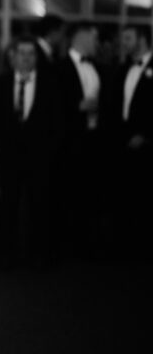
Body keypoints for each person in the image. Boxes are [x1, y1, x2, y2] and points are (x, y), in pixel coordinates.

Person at [0, 36, 61, 267]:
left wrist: (49, 149)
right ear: (13, 57)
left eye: (31, 54)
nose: (26, 58)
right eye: (22, 53)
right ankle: (4, 253)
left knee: (39, 203)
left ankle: (39, 253)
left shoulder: (50, 83)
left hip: (40, 155)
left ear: (36, 58)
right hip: (9, 154)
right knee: (8, 203)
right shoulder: (0, 82)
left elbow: (55, 121)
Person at [57, 21, 103, 258]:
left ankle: (87, 243)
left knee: (90, 193)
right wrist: (78, 107)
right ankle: (68, 244)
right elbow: (52, 107)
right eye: (94, 38)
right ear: (82, 38)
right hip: (69, 142)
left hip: (93, 139)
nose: (98, 43)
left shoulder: (98, 67)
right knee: (69, 193)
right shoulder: (59, 68)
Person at [107, 25, 153, 258]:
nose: (123, 42)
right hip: (121, 143)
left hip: (146, 146)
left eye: (128, 38)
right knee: (124, 195)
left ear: (142, 39)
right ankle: (124, 245)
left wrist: (145, 135)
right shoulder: (122, 68)